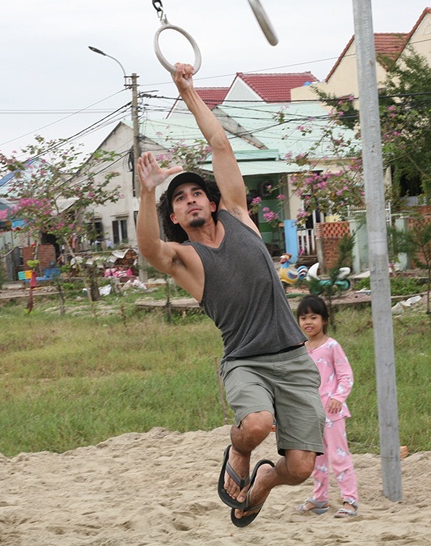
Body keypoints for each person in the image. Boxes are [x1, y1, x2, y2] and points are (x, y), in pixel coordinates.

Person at [136, 62, 325, 528]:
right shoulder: (185, 260)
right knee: (257, 424)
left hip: (294, 359)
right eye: (179, 199)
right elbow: (146, 248)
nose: (190, 200)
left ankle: (261, 483)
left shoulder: (240, 216)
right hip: (246, 361)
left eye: (196, 193)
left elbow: (219, 144)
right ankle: (239, 451)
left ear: (215, 200)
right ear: (175, 217)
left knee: (301, 469)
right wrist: (147, 193)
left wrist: (188, 92)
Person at [293, 294, 360, 518]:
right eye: (303, 318)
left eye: (314, 317)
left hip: (331, 413)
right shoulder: (299, 348)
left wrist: (338, 397)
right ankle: (320, 498)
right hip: (309, 414)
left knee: (339, 456)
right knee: (315, 458)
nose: (308, 322)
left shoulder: (332, 346)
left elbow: (346, 375)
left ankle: (350, 500)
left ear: (324, 320)